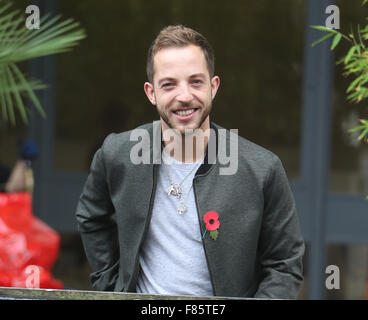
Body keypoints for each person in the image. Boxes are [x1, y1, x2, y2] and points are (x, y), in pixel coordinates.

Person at [75, 25, 305, 299]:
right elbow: (91, 217)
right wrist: (113, 290)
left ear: (213, 86)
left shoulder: (261, 169)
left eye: (196, 81)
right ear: (151, 93)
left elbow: (285, 264)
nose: (184, 96)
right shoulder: (117, 154)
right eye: (169, 84)